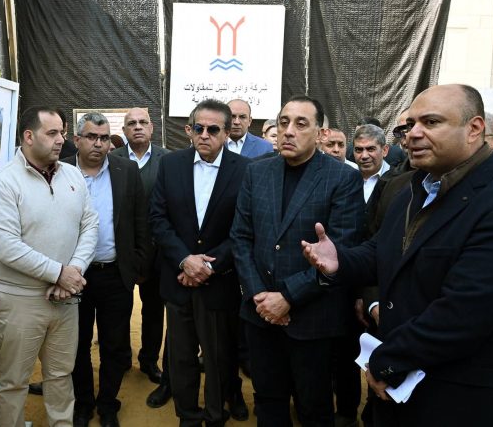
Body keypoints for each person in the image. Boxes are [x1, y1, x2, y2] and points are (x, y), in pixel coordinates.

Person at [302, 84, 493, 427]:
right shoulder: (413, 190)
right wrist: (340, 261)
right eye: (410, 125)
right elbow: (384, 251)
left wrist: (387, 361)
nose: (414, 134)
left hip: (474, 402)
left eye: (431, 122)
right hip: (407, 395)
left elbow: (465, 312)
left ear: (474, 129)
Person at [230, 95, 365, 427]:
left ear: (320, 133)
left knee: (313, 406)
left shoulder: (342, 178)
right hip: (260, 315)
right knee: (268, 401)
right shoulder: (256, 172)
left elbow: (340, 253)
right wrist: (260, 296)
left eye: (301, 124)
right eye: (283, 122)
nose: (288, 131)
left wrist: (288, 297)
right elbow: (241, 238)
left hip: (312, 318)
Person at [0, 106, 98, 427]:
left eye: (62, 132)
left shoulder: (72, 175)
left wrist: (72, 271)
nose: (61, 139)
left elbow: (90, 225)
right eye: (53, 133)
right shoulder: (2, 183)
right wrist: (59, 273)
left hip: (65, 298)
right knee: (14, 381)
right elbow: (7, 247)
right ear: (29, 137)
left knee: (60, 375)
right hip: (19, 300)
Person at [150, 99, 251, 427]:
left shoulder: (246, 170)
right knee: (181, 357)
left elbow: (243, 229)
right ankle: (188, 416)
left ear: (226, 133)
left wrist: (208, 267)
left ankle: (215, 415)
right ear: (189, 130)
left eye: (213, 129)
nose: (204, 135)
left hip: (218, 282)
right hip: (178, 280)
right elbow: (158, 219)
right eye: (199, 128)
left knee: (219, 356)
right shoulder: (170, 164)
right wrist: (185, 261)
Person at [61, 113, 150, 427]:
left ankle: (108, 404)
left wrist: (137, 265)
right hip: (74, 277)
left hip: (115, 274)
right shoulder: (60, 171)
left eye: (103, 138)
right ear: (77, 140)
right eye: (91, 137)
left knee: (114, 345)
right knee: (77, 344)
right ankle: (83, 404)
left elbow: (141, 220)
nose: (98, 144)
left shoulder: (127, 170)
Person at [109, 107, 172, 407]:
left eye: (142, 122)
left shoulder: (168, 160)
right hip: (120, 250)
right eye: (131, 123)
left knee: (154, 309)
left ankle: (149, 360)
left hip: (157, 252)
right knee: (118, 309)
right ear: (124, 130)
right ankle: (121, 358)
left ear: (152, 127)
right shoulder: (111, 160)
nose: (137, 127)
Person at [353, 124, 390, 203]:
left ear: (384, 150)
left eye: (370, 149)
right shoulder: (347, 178)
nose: (364, 156)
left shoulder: (398, 180)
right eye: (359, 150)